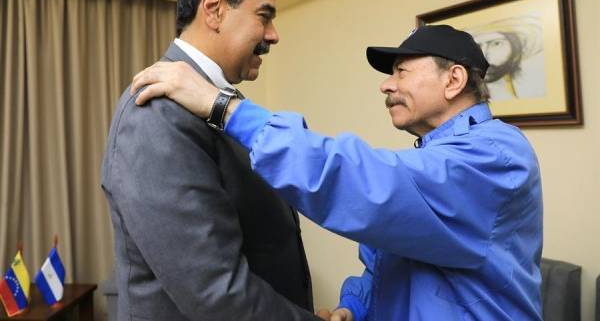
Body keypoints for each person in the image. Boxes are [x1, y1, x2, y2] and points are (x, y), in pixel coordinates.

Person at [130, 24, 543, 321]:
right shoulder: (437, 157)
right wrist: (355, 306)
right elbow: (390, 261)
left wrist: (224, 107)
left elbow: (362, 182)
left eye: (401, 71)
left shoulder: (495, 156)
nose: (386, 85)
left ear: (453, 80)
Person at [101, 0, 322, 321]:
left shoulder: (220, 104)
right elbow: (217, 294)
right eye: (264, 16)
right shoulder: (157, 112)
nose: (274, 35)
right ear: (215, 9)